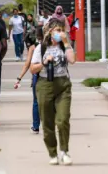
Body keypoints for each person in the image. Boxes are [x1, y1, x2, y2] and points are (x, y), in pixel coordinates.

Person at [31, 19, 76, 165]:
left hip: (63, 84)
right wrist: (44, 62)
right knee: (47, 122)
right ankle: (52, 152)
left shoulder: (65, 46)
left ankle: (64, 150)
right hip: (45, 85)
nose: (60, 33)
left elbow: (72, 60)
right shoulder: (41, 48)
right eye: (57, 30)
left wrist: (66, 41)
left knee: (62, 120)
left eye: (62, 30)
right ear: (49, 32)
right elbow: (33, 69)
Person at [15, 25, 44, 134]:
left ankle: (36, 126)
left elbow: (27, 65)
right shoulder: (50, 45)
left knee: (36, 101)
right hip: (50, 76)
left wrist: (19, 78)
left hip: (37, 75)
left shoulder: (34, 47)